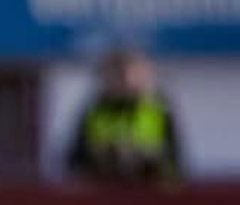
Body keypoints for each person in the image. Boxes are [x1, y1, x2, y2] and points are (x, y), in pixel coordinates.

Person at [67, 48, 184, 184]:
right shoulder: (93, 112)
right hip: (103, 194)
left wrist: (144, 158)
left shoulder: (159, 110)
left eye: (129, 75)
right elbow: (73, 163)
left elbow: (175, 165)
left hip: (148, 195)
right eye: (115, 74)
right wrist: (104, 156)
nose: (122, 81)